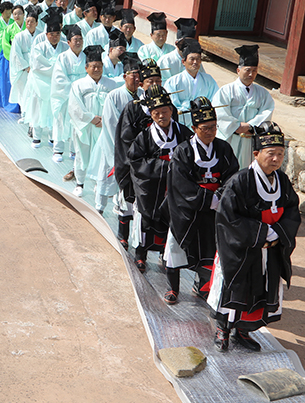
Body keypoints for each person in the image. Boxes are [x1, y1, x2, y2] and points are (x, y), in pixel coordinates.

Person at [208, 122, 300, 352]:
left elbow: (291, 210)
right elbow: (228, 218)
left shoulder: (283, 181)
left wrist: (277, 233)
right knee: (234, 286)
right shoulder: (240, 181)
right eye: (271, 154)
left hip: (269, 248)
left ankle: (243, 330)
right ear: (256, 153)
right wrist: (261, 232)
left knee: (258, 290)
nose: (276, 159)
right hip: (243, 247)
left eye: (280, 154)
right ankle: (223, 329)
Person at [165, 97, 239, 305]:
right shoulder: (183, 151)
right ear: (194, 128)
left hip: (215, 207)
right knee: (175, 247)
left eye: (214, 127)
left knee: (210, 248)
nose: (211, 132)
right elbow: (180, 185)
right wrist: (207, 199)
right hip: (186, 209)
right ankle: (173, 288)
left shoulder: (223, 148)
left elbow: (233, 176)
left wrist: (219, 197)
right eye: (205, 128)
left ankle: (202, 285)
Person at [127, 85, 192, 272]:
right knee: (146, 220)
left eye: (165, 111)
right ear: (152, 115)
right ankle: (141, 255)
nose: (161, 116)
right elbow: (136, 160)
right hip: (151, 186)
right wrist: (165, 166)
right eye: (157, 113)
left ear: (171, 111)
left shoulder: (183, 132)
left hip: (174, 187)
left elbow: (191, 155)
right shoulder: (145, 136)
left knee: (170, 221)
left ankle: (166, 255)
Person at [114, 59, 169, 247]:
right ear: (141, 84)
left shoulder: (168, 108)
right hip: (136, 163)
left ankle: (150, 247)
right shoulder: (133, 107)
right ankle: (123, 234)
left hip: (158, 167)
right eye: (150, 81)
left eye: (158, 81)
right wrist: (140, 160)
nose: (154, 85)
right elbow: (126, 138)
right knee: (129, 202)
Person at [90, 52, 141, 215]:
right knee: (106, 175)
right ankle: (99, 207)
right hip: (114, 143)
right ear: (125, 76)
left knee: (128, 180)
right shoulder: (114, 95)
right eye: (134, 75)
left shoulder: (142, 95)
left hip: (135, 146)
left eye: (140, 75)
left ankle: (122, 206)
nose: (137, 79)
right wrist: (121, 146)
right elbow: (111, 124)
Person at [213, 45, 275, 168]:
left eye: (254, 71)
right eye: (247, 70)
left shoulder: (262, 93)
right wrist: (236, 126)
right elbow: (220, 111)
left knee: (247, 169)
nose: (251, 74)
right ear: (238, 70)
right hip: (230, 137)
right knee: (226, 167)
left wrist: (250, 126)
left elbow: (267, 110)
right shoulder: (226, 90)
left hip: (250, 138)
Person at [68, 45, 117, 197]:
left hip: (104, 127)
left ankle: (99, 183)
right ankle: (80, 183)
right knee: (82, 154)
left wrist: (106, 120)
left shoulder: (110, 84)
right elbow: (75, 107)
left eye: (99, 66)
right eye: (93, 66)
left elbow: (114, 105)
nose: (97, 69)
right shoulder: (78, 85)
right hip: (86, 127)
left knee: (102, 155)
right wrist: (92, 119)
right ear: (86, 67)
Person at [26, 12, 68, 149]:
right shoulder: (39, 47)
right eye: (52, 34)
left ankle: (52, 136)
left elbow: (66, 65)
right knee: (38, 110)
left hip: (57, 85)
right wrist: (57, 66)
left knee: (55, 111)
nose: (55, 37)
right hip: (41, 83)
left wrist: (56, 67)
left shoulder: (65, 47)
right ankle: (37, 137)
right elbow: (38, 66)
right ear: (46, 34)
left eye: (57, 34)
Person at [50, 23, 86, 163]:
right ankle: (58, 149)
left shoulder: (86, 57)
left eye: (80, 40)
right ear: (69, 42)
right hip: (65, 95)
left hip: (81, 95)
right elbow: (59, 78)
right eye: (75, 40)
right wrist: (74, 88)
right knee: (60, 120)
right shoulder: (63, 57)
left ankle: (74, 150)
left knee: (76, 123)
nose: (78, 42)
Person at [164, 40, 219, 127]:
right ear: (183, 62)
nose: (195, 62)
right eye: (192, 59)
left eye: (198, 59)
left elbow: (216, 100)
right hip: (182, 124)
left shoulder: (209, 80)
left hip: (204, 123)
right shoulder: (173, 82)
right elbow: (173, 107)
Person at [9, 4, 39, 118]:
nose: (29, 24)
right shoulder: (19, 36)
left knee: (35, 94)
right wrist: (26, 67)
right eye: (27, 21)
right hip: (24, 70)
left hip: (36, 69)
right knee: (23, 93)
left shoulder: (41, 35)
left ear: (36, 23)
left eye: (32, 22)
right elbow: (16, 54)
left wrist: (36, 66)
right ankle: (25, 115)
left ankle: (34, 117)